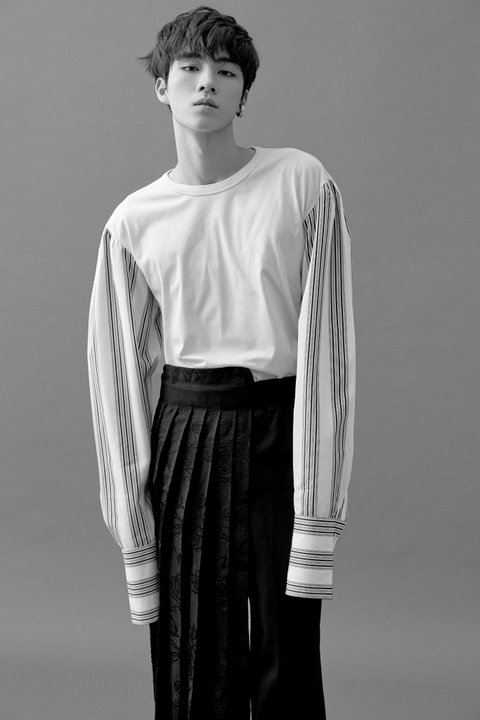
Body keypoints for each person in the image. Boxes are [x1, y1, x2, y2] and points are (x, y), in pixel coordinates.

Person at [87, 6, 355, 720]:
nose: (207, 82)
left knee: (285, 653)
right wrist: (132, 518)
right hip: (186, 434)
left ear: (243, 94)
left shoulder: (302, 183)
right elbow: (118, 381)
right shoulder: (133, 221)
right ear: (162, 87)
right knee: (192, 656)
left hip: (279, 429)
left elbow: (329, 349)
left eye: (226, 71)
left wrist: (319, 506)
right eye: (190, 68)